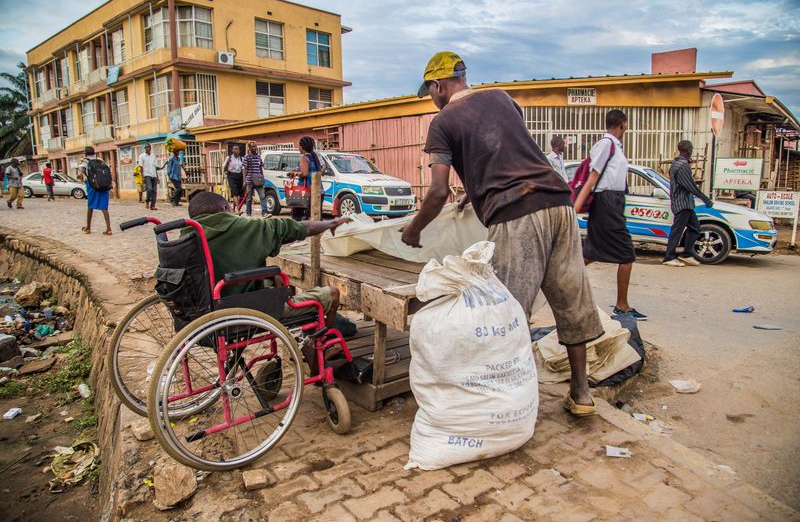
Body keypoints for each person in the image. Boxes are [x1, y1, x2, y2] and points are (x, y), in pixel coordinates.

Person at [401, 51, 604, 416]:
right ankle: (581, 393)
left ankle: (511, 401)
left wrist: (413, 229)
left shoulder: (443, 121)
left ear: (438, 85)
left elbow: (436, 192)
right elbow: (507, 154)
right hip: (558, 203)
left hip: (517, 216)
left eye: (430, 91)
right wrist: (473, 194)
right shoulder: (501, 98)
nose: (432, 98)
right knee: (570, 301)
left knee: (506, 313)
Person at [186, 191, 351, 361]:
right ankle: (320, 353)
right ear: (225, 208)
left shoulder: (187, 237)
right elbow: (302, 228)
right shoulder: (244, 228)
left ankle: (303, 340)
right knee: (332, 293)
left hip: (201, 317)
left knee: (277, 279)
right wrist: (332, 222)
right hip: (244, 313)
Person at [574, 109, 647, 321]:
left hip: (612, 203)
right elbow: (592, 177)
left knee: (590, 252)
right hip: (606, 203)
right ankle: (622, 306)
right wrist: (575, 209)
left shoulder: (614, 146)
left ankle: (558, 278)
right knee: (626, 254)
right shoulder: (607, 144)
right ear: (623, 124)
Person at [663, 140, 713, 267]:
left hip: (685, 204)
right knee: (677, 231)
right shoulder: (683, 166)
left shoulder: (676, 163)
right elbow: (690, 186)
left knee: (695, 228)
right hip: (682, 203)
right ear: (689, 150)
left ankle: (686, 254)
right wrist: (705, 199)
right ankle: (669, 257)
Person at [289, 136, 323, 221]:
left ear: (302, 147)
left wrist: (295, 173)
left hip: (305, 192)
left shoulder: (304, 158)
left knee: (297, 216)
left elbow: (304, 173)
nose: (298, 148)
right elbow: (321, 169)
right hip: (318, 190)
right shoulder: (315, 157)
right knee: (315, 217)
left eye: (299, 146)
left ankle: (300, 233)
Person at [80, 146, 112, 235]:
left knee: (90, 206)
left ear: (85, 153)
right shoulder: (100, 160)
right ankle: (109, 228)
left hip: (91, 186)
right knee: (104, 207)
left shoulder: (85, 161)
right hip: (103, 186)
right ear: (94, 153)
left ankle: (88, 228)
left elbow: (81, 173)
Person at [243, 142, 269, 217]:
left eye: (255, 146)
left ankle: (265, 212)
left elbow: (261, 168)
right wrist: (244, 180)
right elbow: (245, 169)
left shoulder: (258, 157)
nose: (255, 148)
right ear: (250, 148)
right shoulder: (247, 157)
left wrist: (263, 178)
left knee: (262, 196)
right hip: (250, 180)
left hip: (258, 180)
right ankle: (248, 213)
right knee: (249, 198)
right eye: (253, 146)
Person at [138, 143, 162, 210]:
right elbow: (141, 167)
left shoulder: (153, 156)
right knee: (149, 189)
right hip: (147, 175)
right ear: (145, 148)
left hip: (153, 175)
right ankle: (147, 201)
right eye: (147, 147)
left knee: (154, 191)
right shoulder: (142, 156)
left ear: (151, 148)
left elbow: (154, 167)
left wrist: (157, 177)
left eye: (149, 147)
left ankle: (152, 206)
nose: (148, 148)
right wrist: (142, 176)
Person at [223, 145, 244, 210]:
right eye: (235, 149)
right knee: (235, 192)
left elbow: (243, 169)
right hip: (231, 176)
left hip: (239, 176)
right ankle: (238, 209)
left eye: (237, 149)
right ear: (232, 150)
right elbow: (225, 168)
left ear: (239, 150)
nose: (236, 150)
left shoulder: (241, 158)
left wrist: (244, 180)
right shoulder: (229, 158)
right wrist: (227, 163)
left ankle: (234, 208)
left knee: (238, 194)